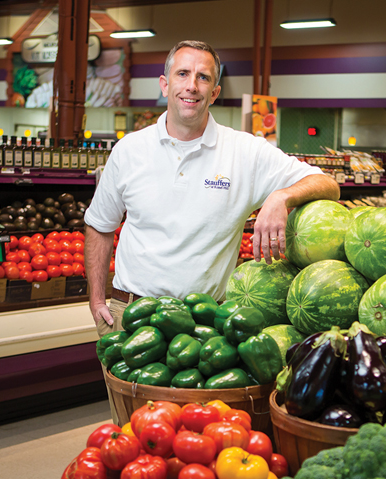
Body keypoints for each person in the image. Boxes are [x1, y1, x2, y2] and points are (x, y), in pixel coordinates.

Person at [84, 40, 340, 337]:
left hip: (204, 325)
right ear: (165, 85)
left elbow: (328, 184)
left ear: (215, 93)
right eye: (182, 74)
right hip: (130, 315)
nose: (191, 85)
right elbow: (99, 226)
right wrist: (96, 299)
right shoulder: (129, 149)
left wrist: (282, 196)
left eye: (203, 77)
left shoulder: (246, 151)